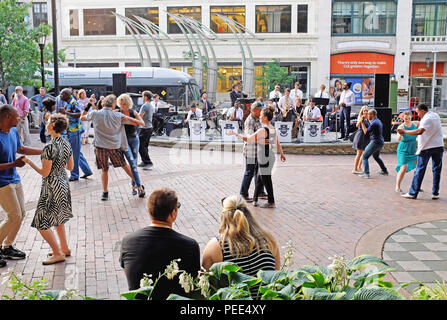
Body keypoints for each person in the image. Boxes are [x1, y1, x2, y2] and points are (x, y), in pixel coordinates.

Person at [120, 188, 200, 300]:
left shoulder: (127, 241)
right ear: (173, 213)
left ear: (149, 211)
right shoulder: (190, 245)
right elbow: (193, 279)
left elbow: (128, 273)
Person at [201, 195, 280, 296]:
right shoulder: (269, 239)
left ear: (223, 216)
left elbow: (205, 285)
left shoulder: (216, 247)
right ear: (248, 213)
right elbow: (276, 278)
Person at [22, 114, 74, 265]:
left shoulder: (49, 147)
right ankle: (64, 248)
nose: (46, 123)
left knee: (41, 223)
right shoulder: (65, 143)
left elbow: (44, 173)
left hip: (51, 186)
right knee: (58, 219)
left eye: (48, 121)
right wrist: (58, 165)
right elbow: (70, 167)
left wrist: (28, 162)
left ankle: (58, 253)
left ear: (53, 126)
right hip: (63, 183)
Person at [0, 105, 43, 268]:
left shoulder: (12, 132)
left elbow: (22, 149)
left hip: (14, 179)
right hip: (2, 183)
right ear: (6, 117)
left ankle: (6, 247)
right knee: (14, 215)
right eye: (16, 116)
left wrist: (44, 151)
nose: (19, 118)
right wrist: (13, 163)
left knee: (21, 213)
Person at [81, 94, 142, 201]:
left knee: (104, 170)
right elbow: (138, 123)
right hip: (114, 146)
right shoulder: (118, 116)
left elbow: (82, 117)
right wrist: (128, 117)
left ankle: (105, 192)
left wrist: (87, 107)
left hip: (100, 146)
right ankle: (138, 184)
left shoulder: (95, 113)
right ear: (113, 104)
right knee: (124, 165)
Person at [229, 108, 286, 208]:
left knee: (266, 179)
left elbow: (248, 139)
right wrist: (281, 154)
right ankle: (255, 200)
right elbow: (277, 143)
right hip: (269, 155)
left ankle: (271, 201)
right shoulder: (272, 128)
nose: (259, 117)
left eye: (261, 116)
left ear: (265, 118)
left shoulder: (262, 130)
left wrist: (235, 134)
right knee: (260, 178)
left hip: (264, 156)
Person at [400, 104, 444, 200]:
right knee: (437, 170)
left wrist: (404, 132)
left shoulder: (426, 119)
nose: (418, 114)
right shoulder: (435, 115)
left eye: (418, 112)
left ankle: (412, 193)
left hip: (426, 148)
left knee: (420, 169)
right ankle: (435, 193)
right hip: (439, 146)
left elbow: (419, 131)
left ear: (422, 111)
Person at [58, 88, 93, 181]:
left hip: (75, 132)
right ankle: (87, 171)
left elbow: (78, 114)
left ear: (67, 95)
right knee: (77, 153)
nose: (60, 96)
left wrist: (65, 112)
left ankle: (74, 175)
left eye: (62, 94)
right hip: (70, 131)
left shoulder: (73, 102)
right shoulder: (69, 103)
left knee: (74, 154)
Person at [116, 94, 146, 198]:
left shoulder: (133, 112)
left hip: (134, 139)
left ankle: (133, 185)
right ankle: (139, 187)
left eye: (126, 104)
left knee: (134, 162)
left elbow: (142, 123)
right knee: (132, 163)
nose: (124, 106)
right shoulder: (117, 112)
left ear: (129, 103)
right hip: (123, 141)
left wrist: (129, 119)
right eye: (122, 104)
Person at [240, 102, 266, 202]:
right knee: (249, 172)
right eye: (260, 109)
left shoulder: (258, 119)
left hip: (257, 150)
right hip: (251, 151)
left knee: (258, 172)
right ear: (255, 109)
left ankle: (259, 191)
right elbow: (249, 136)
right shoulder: (250, 120)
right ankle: (243, 194)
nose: (262, 111)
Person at [358, 108, 389, 179]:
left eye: (368, 114)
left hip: (375, 142)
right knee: (376, 156)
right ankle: (384, 170)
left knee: (365, 156)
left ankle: (366, 173)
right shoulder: (376, 121)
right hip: (380, 142)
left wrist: (362, 122)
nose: (367, 115)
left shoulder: (374, 123)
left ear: (372, 115)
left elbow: (365, 132)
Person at [395, 111, 418, 193]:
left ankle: (417, 185)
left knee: (419, 166)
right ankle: (397, 187)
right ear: (403, 118)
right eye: (405, 118)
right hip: (403, 149)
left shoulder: (415, 124)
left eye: (409, 118)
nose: (407, 119)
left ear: (411, 117)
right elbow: (398, 139)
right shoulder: (401, 126)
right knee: (403, 167)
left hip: (413, 149)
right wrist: (400, 134)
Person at [138, 91, 155, 171]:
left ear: (145, 97)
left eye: (142, 96)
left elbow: (140, 116)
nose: (142, 98)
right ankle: (144, 161)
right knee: (145, 146)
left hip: (144, 128)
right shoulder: (151, 105)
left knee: (141, 146)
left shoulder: (144, 106)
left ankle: (148, 162)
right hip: (149, 127)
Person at [352, 106, 370, 174]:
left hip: (366, 137)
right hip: (360, 136)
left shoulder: (368, 118)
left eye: (367, 110)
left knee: (364, 153)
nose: (366, 111)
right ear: (362, 111)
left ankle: (359, 167)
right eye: (364, 110)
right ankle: (355, 168)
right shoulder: (361, 117)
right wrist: (361, 120)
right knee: (359, 153)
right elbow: (357, 125)